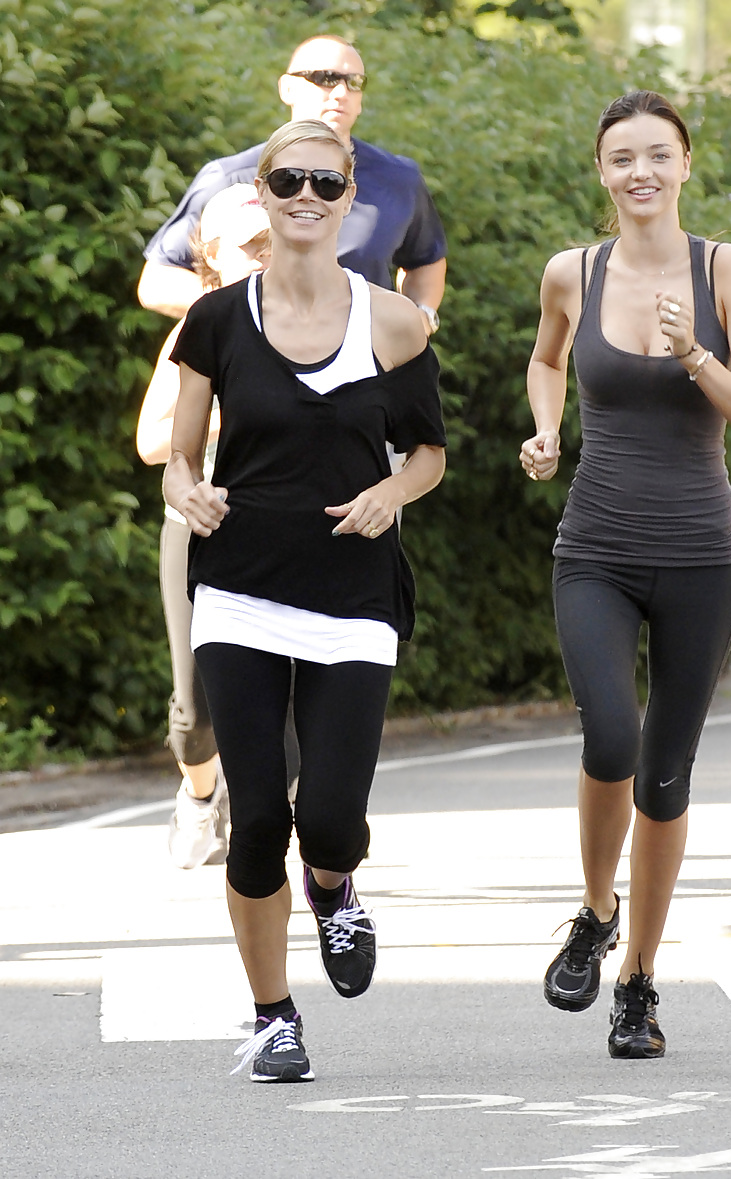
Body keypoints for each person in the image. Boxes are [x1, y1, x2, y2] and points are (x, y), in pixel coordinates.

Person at [164, 119, 447, 1082]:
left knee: (328, 817)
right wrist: (190, 493)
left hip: (354, 594)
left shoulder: (393, 322)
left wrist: (389, 493)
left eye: (326, 183)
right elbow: (179, 457)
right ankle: (273, 1015)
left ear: (350, 195)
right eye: (288, 180)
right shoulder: (216, 319)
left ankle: (334, 885)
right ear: (263, 189)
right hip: (239, 589)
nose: (306, 198)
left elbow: (430, 454)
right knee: (256, 823)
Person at [519, 91, 731, 1059]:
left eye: (658, 155)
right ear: (601, 171)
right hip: (596, 548)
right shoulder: (572, 272)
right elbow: (546, 360)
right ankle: (597, 911)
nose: (641, 172)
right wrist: (547, 428)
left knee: (665, 778)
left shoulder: (726, 269)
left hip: (701, 556)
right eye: (622, 157)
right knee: (611, 736)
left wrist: (694, 354)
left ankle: (637, 983)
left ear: (684, 165)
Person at [138, 34, 446, 335]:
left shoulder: (398, 179)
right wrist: (251, 311)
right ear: (287, 89)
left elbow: (426, 260)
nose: (341, 92)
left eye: (354, 82)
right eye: (325, 78)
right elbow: (157, 282)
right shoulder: (230, 176)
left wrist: (422, 316)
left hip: (365, 361)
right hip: (256, 359)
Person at [137, 184, 271, 868]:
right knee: (192, 712)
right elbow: (150, 442)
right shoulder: (196, 329)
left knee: (284, 694)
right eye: (249, 247)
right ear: (212, 256)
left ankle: (267, 830)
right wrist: (223, 412)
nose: (264, 254)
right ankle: (199, 794)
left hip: (279, 527)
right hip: (194, 528)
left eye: (269, 240)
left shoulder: (312, 323)